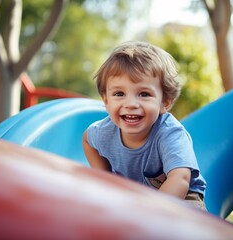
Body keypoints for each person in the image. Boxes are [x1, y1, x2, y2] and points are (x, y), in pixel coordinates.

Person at [82, 41, 207, 211]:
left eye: (144, 94)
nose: (131, 103)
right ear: (106, 100)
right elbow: (87, 141)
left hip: (182, 197)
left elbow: (181, 178)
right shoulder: (103, 132)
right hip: (135, 195)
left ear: (165, 103)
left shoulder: (170, 133)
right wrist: (106, 179)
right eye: (119, 94)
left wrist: (151, 214)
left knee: (189, 225)